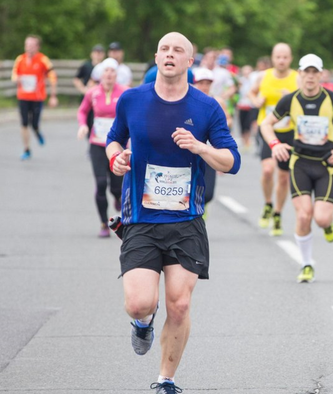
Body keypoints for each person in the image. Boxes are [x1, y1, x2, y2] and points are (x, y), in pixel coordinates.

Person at [106, 32, 240, 393]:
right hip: (141, 220)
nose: (170, 54)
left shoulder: (206, 107)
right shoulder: (132, 100)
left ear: (189, 61)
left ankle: (166, 380)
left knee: (179, 305)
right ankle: (143, 324)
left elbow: (232, 161)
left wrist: (199, 147)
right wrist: (115, 157)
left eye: (178, 50)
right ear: (156, 57)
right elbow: (114, 138)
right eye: (164, 49)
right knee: (138, 303)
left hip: (185, 222)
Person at [260, 54, 333, 283]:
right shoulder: (290, 100)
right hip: (300, 164)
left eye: (316, 72)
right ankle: (306, 264)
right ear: (301, 74)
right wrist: (275, 145)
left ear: (321, 75)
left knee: (321, 219)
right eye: (307, 72)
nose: (311, 77)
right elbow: (266, 124)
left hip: (325, 165)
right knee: (304, 215)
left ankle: (327, 225)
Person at [248, 43, 299, 236]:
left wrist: (292, 98)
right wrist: (256, 101)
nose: (281, 60)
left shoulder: (297, 78)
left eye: (285, 57)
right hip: (267, 129)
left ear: (290, 58)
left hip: (289, 130)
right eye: (278, 57)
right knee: (268, 170)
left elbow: (305, 100)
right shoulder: (264, 76)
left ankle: (277, 214)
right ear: (273, 58)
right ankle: (268, 203)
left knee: (284, 177)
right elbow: (251, 92)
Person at [76, 58, 127, 237]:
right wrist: (83, 125)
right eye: (106, 71)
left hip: (117, 146)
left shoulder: (125, 93)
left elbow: (132, 116)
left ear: (116, 74)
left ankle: (117, 197)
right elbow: (82, 111)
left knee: (116, 187)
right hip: (97, 144)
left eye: (112, 71)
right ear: (100, 74)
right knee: (100, 183)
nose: (109, 75)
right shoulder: (92, 93)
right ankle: (104, 224)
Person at [192, 67, 233, 214]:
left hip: (209, 151)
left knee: (208, 193)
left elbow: (228, 120)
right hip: (190, 151)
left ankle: (202, 206)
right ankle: (195, 212)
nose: (204, 86)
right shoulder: (188, 101)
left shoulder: (217, 102)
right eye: (200, 83)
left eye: (207, 83)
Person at [11, 34, 58, 160]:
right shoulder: (20, 59)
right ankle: (26, 149)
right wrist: (18, 79)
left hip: (37, 97)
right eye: (27, 45)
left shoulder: (43, 60)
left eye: (32, 45)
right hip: (23, 96)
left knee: (34, 124)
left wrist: (53, 96)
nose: (29, 48)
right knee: (24, 123)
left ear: (37, 47)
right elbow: (14, 76)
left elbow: (53, 76)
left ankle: (37, 132)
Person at [235, 65, 256, 151]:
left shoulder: (253, 81)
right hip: (241, 105)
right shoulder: (241, 81)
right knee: (242, 124)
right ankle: (244, 142)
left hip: (250, 106)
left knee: (248, 125)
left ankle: (247, 141)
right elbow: (238, 93)